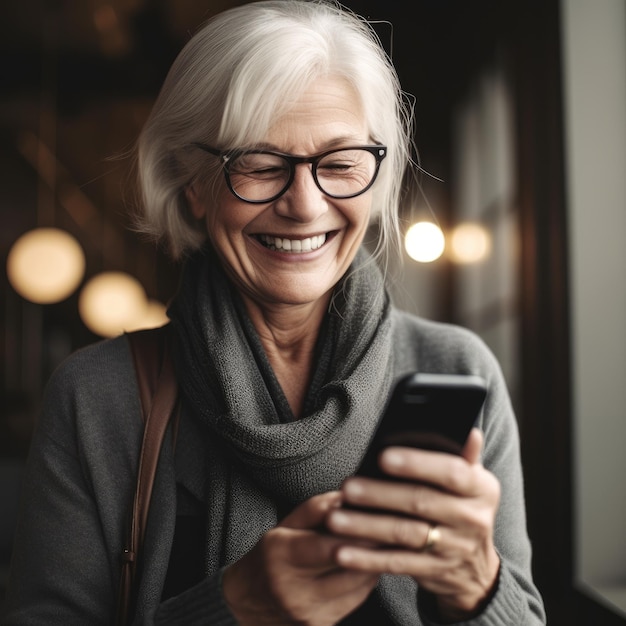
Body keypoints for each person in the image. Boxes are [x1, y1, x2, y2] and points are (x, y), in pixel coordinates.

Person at [2, 1, 546, 624]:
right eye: (259, 166)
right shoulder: (98, 396)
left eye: (340, 165)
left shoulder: (455, 367)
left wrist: (478, 582)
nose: (305, 206)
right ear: (192, 184)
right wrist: (239, 607)